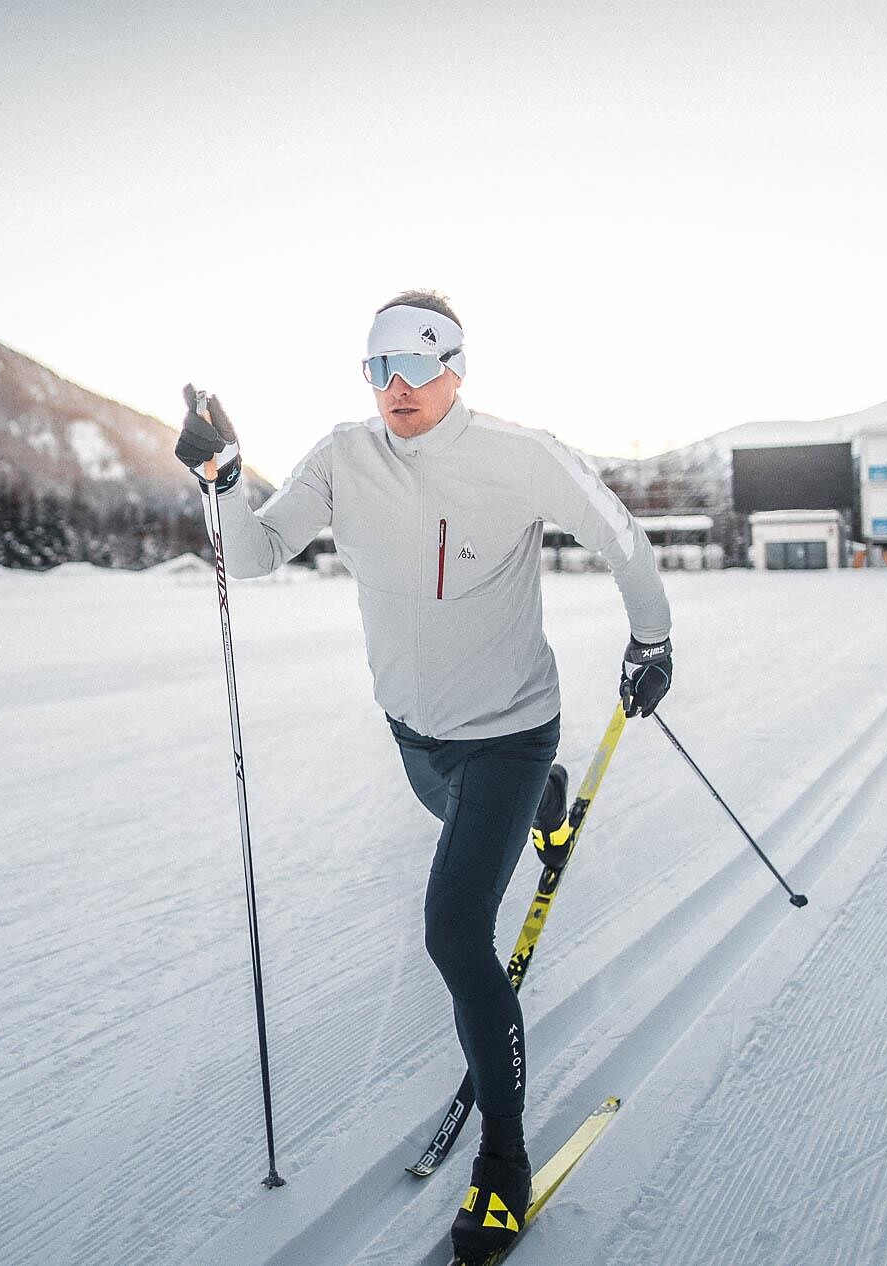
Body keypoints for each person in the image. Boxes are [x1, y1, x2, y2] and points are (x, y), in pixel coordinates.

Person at [176, 290, 673, 1261]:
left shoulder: (516, 453)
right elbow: (252, 553)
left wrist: (649, 636)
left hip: (510, 727)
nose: (394, 387)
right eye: (377, 368)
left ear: (455, 364)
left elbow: (618, 533)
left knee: (452, 931)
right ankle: (541, 806)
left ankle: (502, 1161)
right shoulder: (340, 458)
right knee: (455, 817)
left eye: (413, 363)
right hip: (415, 734)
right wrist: (226, 478)